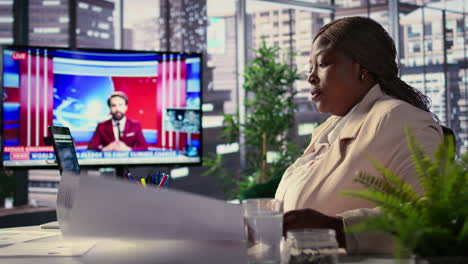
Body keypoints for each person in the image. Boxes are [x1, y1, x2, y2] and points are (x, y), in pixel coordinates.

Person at [275, 17, 443, 254]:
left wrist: (340, 229)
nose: (310, 77)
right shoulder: (330, 128)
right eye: (309, 68)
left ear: (362, 69)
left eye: (322, 64)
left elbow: (434, 215)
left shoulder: (402, 120)